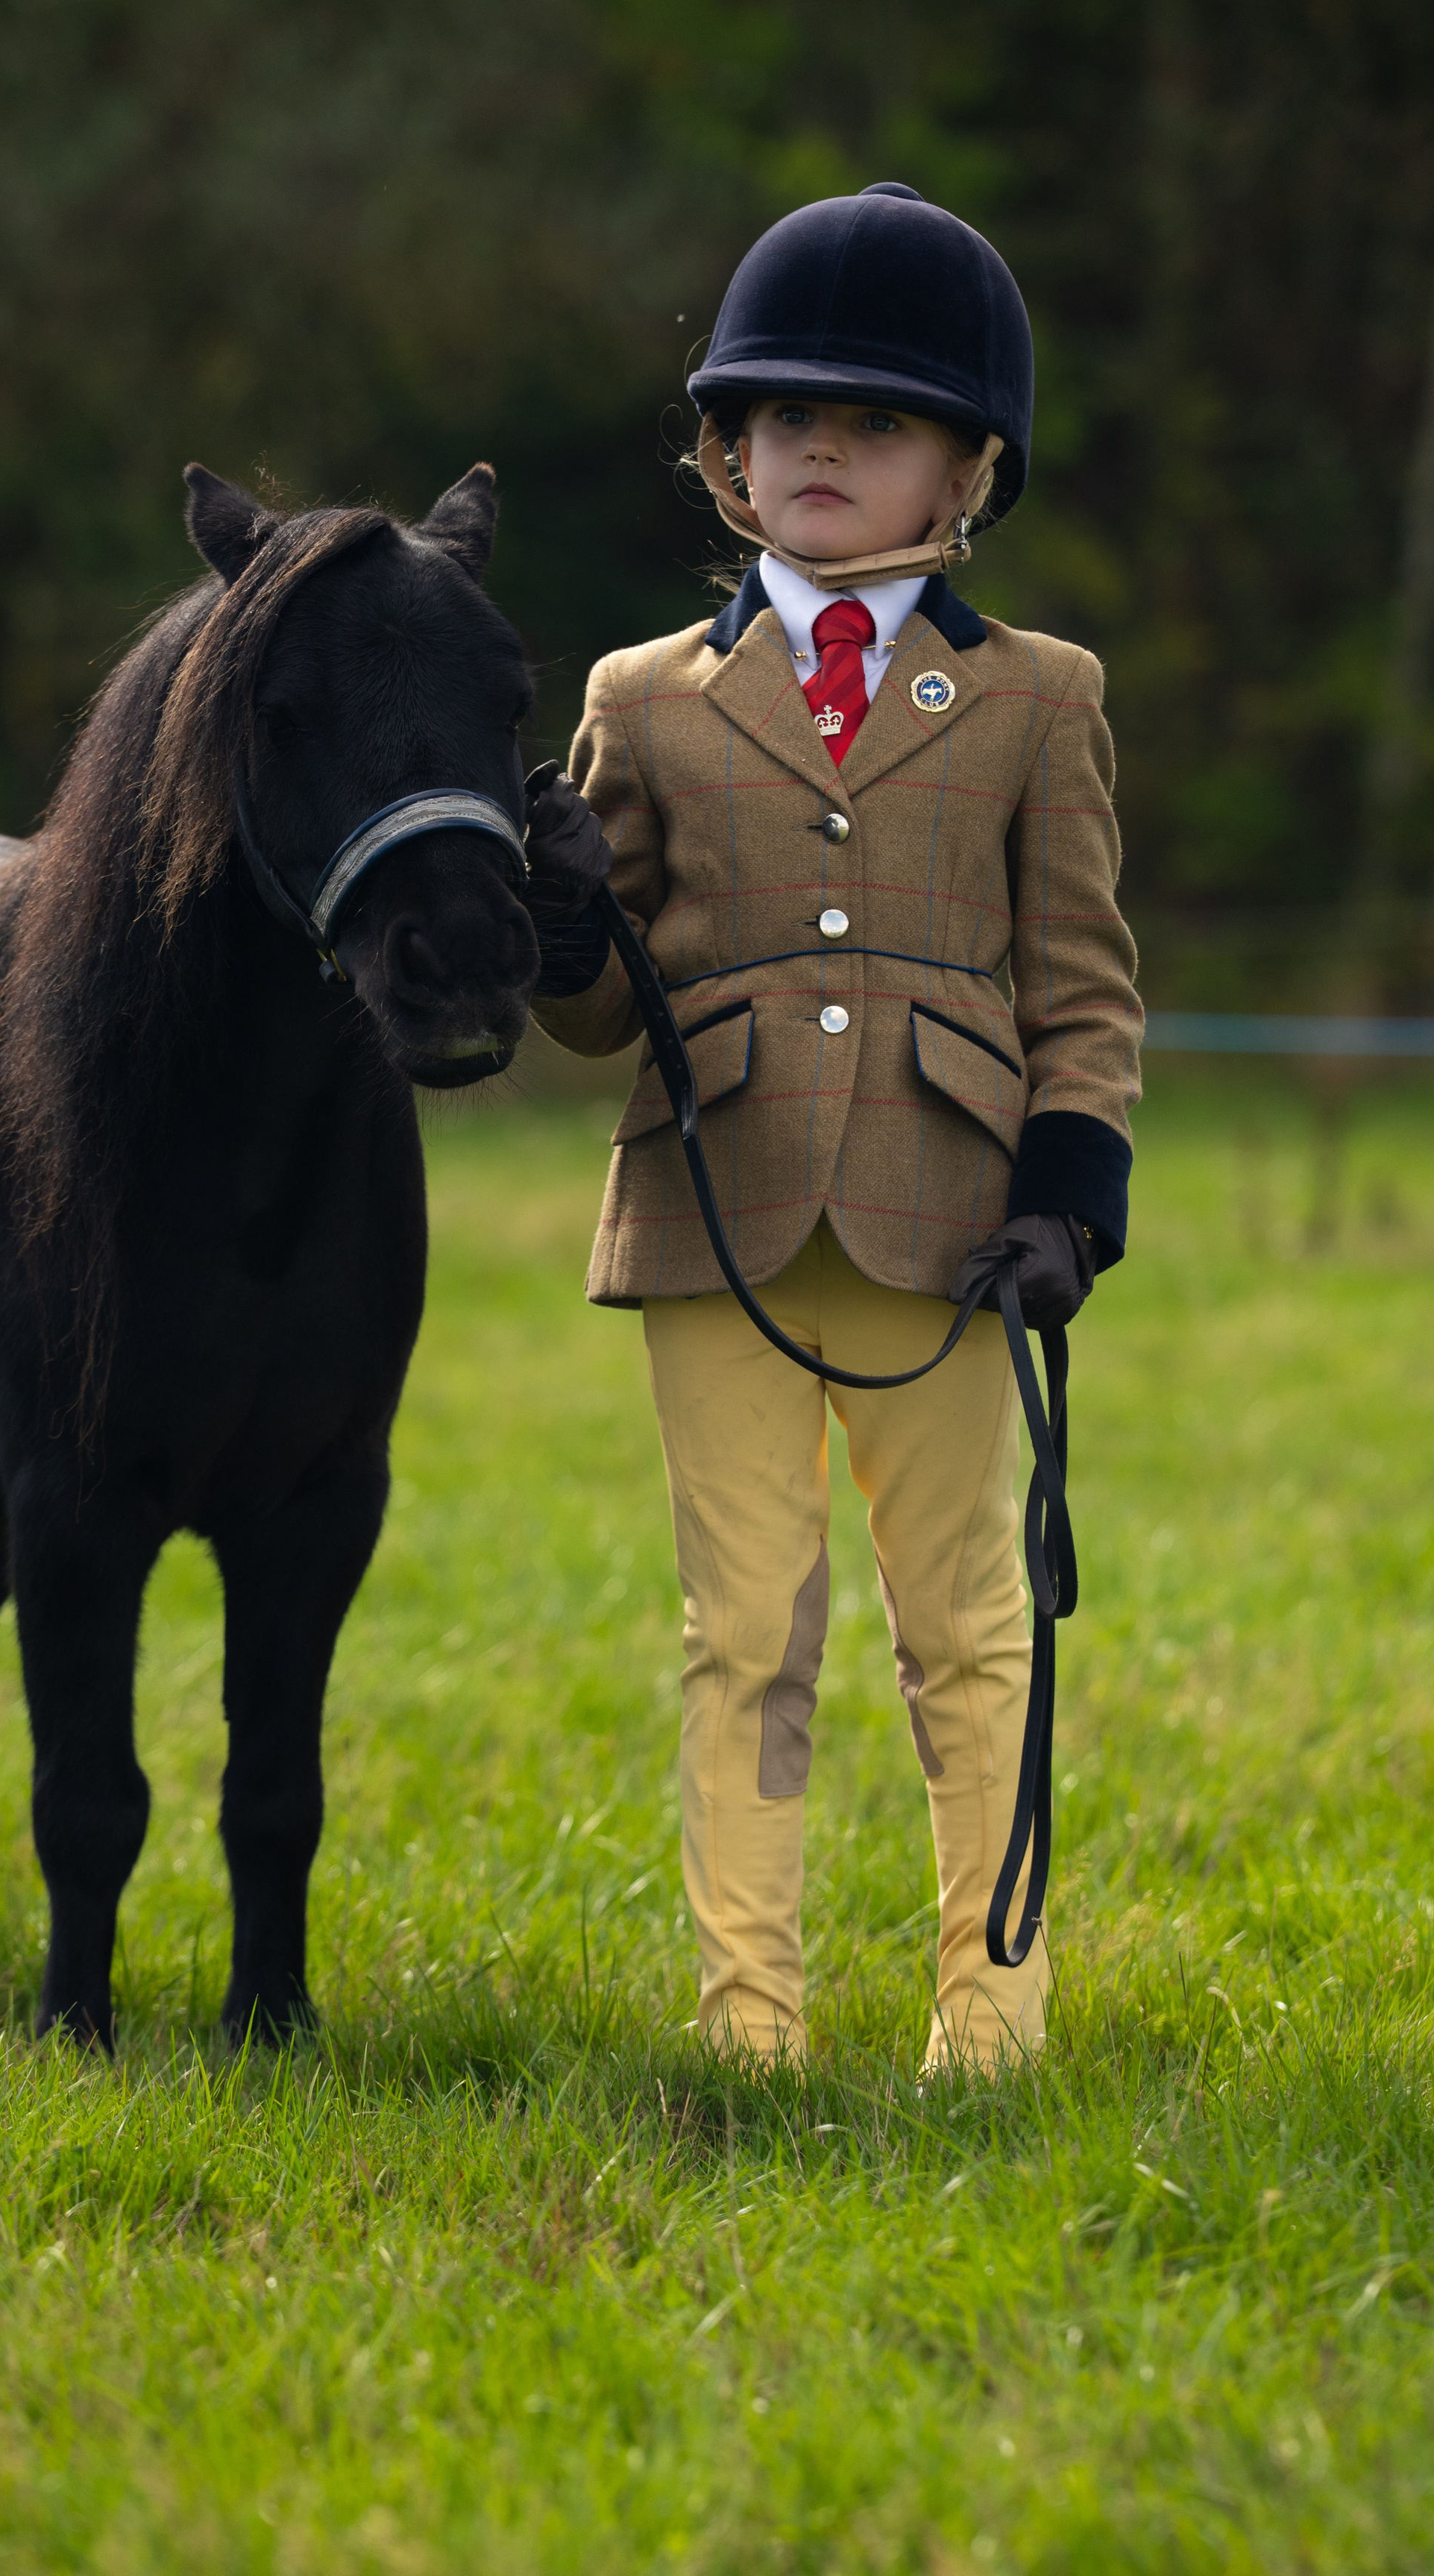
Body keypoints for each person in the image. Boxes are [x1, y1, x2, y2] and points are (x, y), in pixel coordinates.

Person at [522, 183, 1142, 2071]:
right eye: (783, 416)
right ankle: (750, 2014)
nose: (818, 448)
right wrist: (554, 923)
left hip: (949, 1219)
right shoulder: (644, 696)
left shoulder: (1039, 698)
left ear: (966, 471)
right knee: (744, 1631)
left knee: (966, 1622)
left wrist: (1068, 1199)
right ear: (726, 456)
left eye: (870, 422)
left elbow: (1083, 987)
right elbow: (596, 1007)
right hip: (716, 1207)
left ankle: (989, 2001)